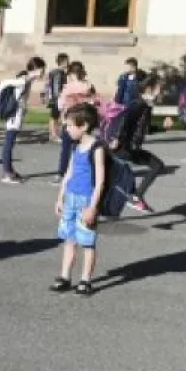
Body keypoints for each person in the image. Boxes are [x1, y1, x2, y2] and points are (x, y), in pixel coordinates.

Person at [52, 103, 108, 296]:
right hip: (71, 198)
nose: (66, 129)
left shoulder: (97, 147)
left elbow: (100, 181)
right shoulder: (76, 146)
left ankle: (85, 280)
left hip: (86, 200)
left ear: (83, 126)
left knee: (87, 242)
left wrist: (93, 207)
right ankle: (65, 276)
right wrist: (60, 197)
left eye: (69, 126)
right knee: (69, 238)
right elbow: (69, 172)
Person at [116, 72, 167, 213]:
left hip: (131, 147)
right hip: (125, 147)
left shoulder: (146, 105)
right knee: (112, 180)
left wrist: (164, 128)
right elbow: (124, 122)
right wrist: (118, 140)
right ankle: (134, 197)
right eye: (159, 89)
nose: (161, 93)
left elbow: (146, 128)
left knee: (157, 165)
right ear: (149, 89)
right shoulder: (138, 104)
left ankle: (136, 196)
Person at [0, 57, 47, 184]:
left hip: (18, 114)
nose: (43, 72)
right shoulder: (24, 80)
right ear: (35, 69)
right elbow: (5, 83)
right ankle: (7, 172)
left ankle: (10, 170)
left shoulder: (28, 81)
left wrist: (24, 108)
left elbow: (22, 98)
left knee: (10, 143)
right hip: (14, 116)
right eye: (41, 69)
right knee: (9, 143)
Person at [55, 62, 96, 180]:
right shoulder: (88, 86)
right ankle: (83, 171)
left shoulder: (68, 87)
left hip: (70, 119)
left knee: (66, 149)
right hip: (84, 120)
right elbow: (93, 101)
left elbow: (60, 104)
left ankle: (62, 172)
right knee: (83, 148)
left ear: (72, 74)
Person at [45, 52, 69, 144]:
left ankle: (53, 134)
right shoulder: (59, 72)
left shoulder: (56, 72)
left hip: (55, 97)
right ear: (63, 62)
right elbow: (56, 85)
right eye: (67, 61)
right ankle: (54, 135)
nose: (68, 63)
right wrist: (58, 97)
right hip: (57, 98)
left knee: (54, 116)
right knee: (55, 117)